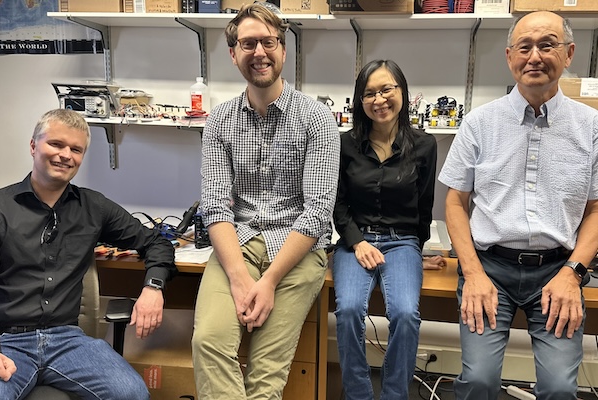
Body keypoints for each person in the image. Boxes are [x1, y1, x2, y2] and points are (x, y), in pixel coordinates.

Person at [438, 11, 598, 400]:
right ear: (510, 57)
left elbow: (595, 209)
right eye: (524, 47)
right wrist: (473, 273)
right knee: (478, 381)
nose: (535, 56)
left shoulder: (591, 127)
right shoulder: (479, 124)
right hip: (489, 267)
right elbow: (455, 203)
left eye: (547, 45)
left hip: (558, 270)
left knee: (560, 388)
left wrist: (573, 272)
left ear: (569, 52)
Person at [191, 3, 340, 399]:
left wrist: (270, 280)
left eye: (269, 42)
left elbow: (317, 212)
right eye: (248, 43)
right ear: (233, 53)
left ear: (284, 49)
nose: (259, 52)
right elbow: (216, 207)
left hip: (296, 251)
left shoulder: (317, 119)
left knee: (265, 371)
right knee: (209, 342)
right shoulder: (219, 122)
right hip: (235, 246)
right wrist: (240, 279)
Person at [0, 109, 177, 399]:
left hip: (66, 341)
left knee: (132, 393)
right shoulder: (2, 207)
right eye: (56, 144)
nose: (65, 155)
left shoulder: (93, 207)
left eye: (76, 149)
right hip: (7, 340)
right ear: (33, 146)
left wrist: (153, 288)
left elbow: (157, 242)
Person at [332, 59, 438, 400]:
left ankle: (395, 395)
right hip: (354, 242)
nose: (379, 99)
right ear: (359, 101)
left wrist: (419, 253)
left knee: (406, 315)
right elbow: (339, 204)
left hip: (402, 242)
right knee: (348, 311)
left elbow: (425, 206)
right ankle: (358, 394)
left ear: (402, 93)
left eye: (386, 89)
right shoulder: (345, 144)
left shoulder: (424, 145)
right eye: (369, 93)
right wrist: (357, 243)